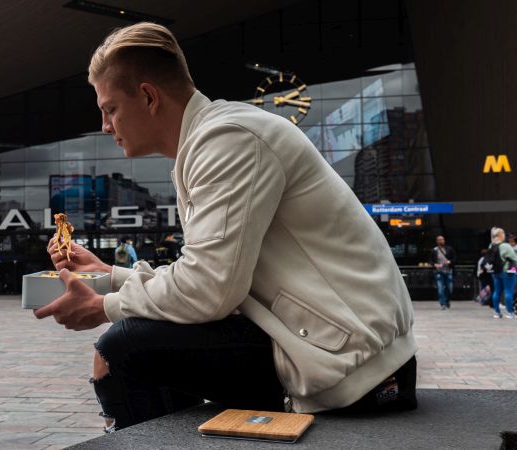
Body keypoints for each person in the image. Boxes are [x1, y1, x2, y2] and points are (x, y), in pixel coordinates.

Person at [34, 23, 417, 431]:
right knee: (153, 338)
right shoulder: (210, 141)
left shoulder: (229, 140)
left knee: (122, 348)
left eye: (110, 109)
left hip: (353, 368)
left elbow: (208, 290)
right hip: (332, 348)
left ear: (148, 97)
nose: (105, 126)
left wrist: (103, 306)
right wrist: (108, 277)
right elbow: (209, 276)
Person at [488, 227, 516, 319]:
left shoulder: (491, 246)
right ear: (500, 235)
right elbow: (514, 259)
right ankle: (510, 312)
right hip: (507, 271)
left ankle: (497, 312)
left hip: (495, 272)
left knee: (497, 291)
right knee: (508, 291)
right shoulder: (506, 246)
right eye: (503, 234)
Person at [429, 235, 455, 310]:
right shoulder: (434, 250)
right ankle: (443, 304)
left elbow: (455, 259)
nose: (441, 241)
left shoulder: (449, 249)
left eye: (442, 239)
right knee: (440, 288)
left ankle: (447, 301)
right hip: (438, 271)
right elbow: (430, 260)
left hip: (448, 270)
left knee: (449, 288)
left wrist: (449, 262)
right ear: (437, 241)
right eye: (439, 240)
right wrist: (435, 265)